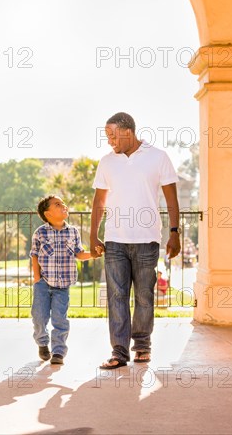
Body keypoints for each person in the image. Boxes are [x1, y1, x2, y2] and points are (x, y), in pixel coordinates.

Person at [89, 112, 181, 369]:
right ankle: (119, 352)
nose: (109, 141)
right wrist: (93, 233)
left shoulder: (158, 157)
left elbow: (171, 199)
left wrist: (175, 232)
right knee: (116, 295)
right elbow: (99, 201)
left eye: (112, 135)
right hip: (115, 239)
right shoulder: (107, 162)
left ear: (127, 131)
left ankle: (142, 345)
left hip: (147, 239)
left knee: (143, 296)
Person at [30, 195, 95, 365]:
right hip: (43, 283)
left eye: (63, 203)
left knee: (60, 319)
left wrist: (94, 254)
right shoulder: (40, 232)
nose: (63, 206)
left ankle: (58, 352)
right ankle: (42, 342)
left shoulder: (73, 232)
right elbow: (34, 255)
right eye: (58, 204)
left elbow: (79, 253)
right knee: (39, 317)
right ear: (48, 214)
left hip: (63, 285)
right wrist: (37, 278)